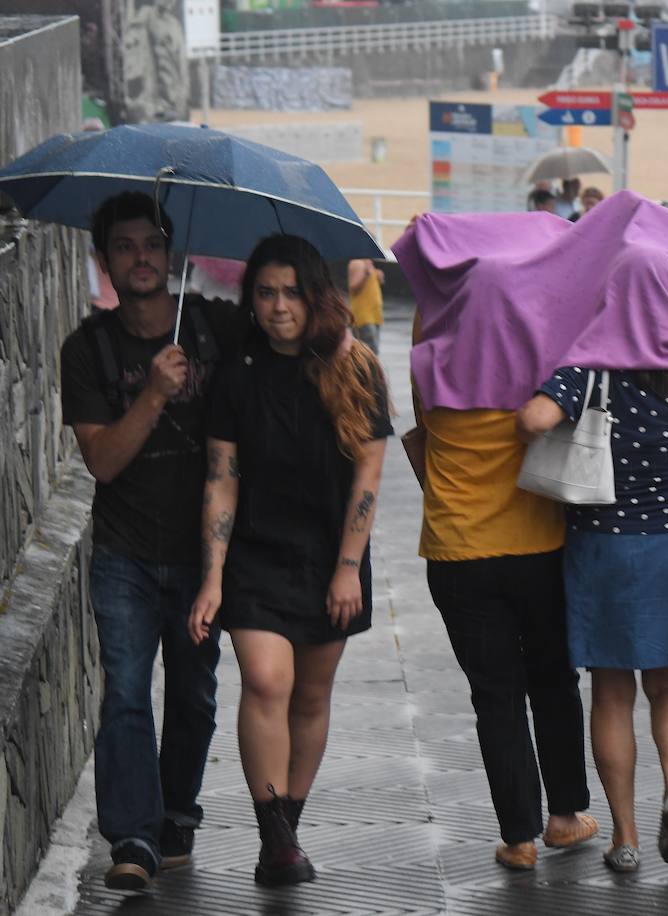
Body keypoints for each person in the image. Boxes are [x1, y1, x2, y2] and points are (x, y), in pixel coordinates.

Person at [188, 234, 393, 886]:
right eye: (266, 293)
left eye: (292, 293)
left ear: (315, 296)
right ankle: (273, 830)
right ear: (251, 298)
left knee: (309, 695)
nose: (279, 307)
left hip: (330, 559)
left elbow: (368, 473)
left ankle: (287, 831)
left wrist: (346, 566)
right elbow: (222, 476)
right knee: (267, 680)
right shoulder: (236, 373)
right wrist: (213, 576)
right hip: (255, 556)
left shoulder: (353, 365)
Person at [59, 191, 245, 890]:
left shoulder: (210, 326)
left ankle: (175, 817)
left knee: (195, 694)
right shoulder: (87, 350)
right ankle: (132, 838)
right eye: (126, 247)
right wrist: (155, 393)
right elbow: (102, 461)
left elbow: (289, 334)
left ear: (171, 254)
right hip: (126, 555)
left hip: (204, 555)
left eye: (153, 244)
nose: (142, 258)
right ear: (103, 261)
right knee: (128, 694)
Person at [517, 368, 668, 874]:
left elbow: (532, 420)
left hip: (604, 542)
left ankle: (625, 837)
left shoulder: (589, 368)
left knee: (612, 692)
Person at [412, 315, 599, 871]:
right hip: (537, 540)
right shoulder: (541, 341)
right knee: (553, 680)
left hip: (458, 545)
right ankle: (565, 818)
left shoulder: (432, 344)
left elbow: (424, 428)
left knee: (494, 692)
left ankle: (518, 837)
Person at [347, 258, 385, 354]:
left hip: (374, 317)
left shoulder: (369, 264)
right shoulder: (357, 263)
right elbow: (353, 288)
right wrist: (366, 275)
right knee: (369, 354)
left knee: (372, 353)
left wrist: (378, 277)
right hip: (363, 318)